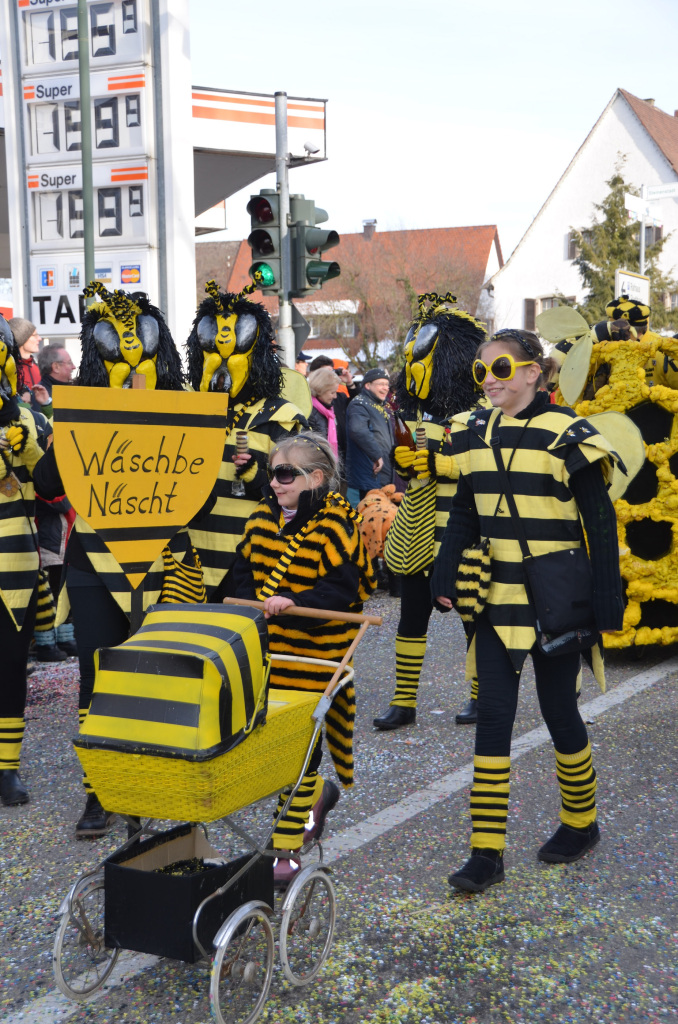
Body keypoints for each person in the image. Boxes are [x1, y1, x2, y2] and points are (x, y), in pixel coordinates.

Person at [431, 328, 624, 892]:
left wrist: (608, 600)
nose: (489, 379)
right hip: (497, 597)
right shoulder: (469, 433)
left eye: (503, 368)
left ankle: (581, 823)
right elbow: (466, 507)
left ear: (535, 372)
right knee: (492, 717)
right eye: (482, 371)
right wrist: (445, 566)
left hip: (558, 596)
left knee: (559, 710)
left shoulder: (569, 434)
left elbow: (600, 523)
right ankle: (486, 852)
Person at [36, 282, 204, 837]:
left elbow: (199, 491)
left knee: (161, 673)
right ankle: (99, 791)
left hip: (165, 560)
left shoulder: (182, 407)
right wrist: (74, 434)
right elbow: (45, 482)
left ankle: (159, 779)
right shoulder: (78, 411)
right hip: (92, 563)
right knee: (95, 677)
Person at [232, 432, 376, 885]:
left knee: (299, 754)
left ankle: (286, 845)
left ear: (315, 478)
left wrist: (292, 600)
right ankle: (317, 801)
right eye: (273, 472)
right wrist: (236, 602)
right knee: (268, 749)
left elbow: (342, 591)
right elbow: (240, 573)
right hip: (268, 654)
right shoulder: (260, 518)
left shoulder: (337, 524)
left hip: (316, 658)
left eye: (284, 474)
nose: (274, 482)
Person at [373, 293, 487, 730]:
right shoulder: (414, 415)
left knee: (472, 617)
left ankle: (480, 696)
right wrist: (407, 465)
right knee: (411, 617)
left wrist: (444, 465)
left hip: (462, 535)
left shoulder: (483, 414)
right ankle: (404, 702)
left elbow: (492, 465)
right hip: (419, 533)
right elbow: (413, 470)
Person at [186, 280, 306, 601]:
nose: (222, 364)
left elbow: (303, 492)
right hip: (188, 554)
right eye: (212, 351)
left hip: (252, 555)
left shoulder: (282, 416)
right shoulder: (184, 407)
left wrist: (256, 475)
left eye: (236, 352)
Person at [0, 314, 44, 806]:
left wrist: (26, 445)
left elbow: (51, 483)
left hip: (11, 561)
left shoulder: (24, 415)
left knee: (9, 665)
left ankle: (6, 767)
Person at [345, 368, 395, 499]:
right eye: (381, 384)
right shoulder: (359, 404)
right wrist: (376, 455)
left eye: (387, 384)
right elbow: (358, 430)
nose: (385, 388)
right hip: (371, 472)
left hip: (382, 472)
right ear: (367, 385)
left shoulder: (379, 405)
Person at [308, 366, 339, 456]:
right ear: (320, 390)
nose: (335, 396)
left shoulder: (328, 410)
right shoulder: (310, 413)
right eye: (332, 393)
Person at [9, 319, 42, 390]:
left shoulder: (38, 367)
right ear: (21, 339)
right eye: (34, 335)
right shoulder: (10, 369)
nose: (39, 338)